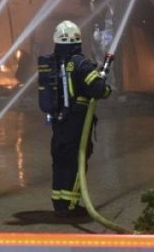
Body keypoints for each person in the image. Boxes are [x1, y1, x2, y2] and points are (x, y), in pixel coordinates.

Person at [41, 20, 111, 218]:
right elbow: (98, 90)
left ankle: (59, 203)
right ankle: (70, 205)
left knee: (60, 160)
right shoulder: (80, 63)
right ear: (77, 41)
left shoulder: (53, 62)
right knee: (76, 161)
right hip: (77, 121)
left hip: (58, 121)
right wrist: (106, 87)